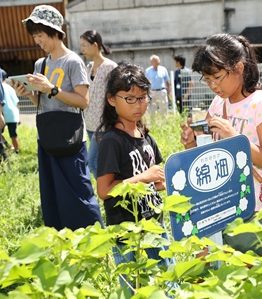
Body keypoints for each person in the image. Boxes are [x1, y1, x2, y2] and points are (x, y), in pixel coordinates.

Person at [179, 33, 262, 255]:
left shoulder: (261, 103)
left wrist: (235, 137)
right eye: (207, 79)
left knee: (255, 278)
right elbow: (207, 154)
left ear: (239, 68)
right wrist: (191, 142)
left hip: (252, 209)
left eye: (218, 77)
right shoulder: (217, 104)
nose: (213, 85)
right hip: (220, 206)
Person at [14, 5, 104, 231]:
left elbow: (83, 101)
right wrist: (29, 94)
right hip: (48, 137)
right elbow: (44, 104)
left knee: (78, 189)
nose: (38, 41)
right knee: (53, 190)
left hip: (71, 138)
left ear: (55, 31)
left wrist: (51, 88)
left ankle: (93, 236)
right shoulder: (40, 64)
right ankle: (62, 237)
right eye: (35, 36)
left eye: (41, 35)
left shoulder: (73, 62)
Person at [96, 61, 172, 289]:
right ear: (112, 99)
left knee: (166, 281)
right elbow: (104, 190)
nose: (138, 105)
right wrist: (144, 177)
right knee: (134, 288)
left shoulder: (145, 136)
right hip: (127, 233)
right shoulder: (112, 141)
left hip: (154, 224)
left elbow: (156, 181)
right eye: (129, 99)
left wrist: (163, 182)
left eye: (143, 98)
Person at [80, 29, 117, 178]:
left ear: (95, 45)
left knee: (92, 162)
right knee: (101, 161)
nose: (81, 49)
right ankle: (109, 190)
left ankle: (106, 192)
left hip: (104, 124)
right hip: (89, 122)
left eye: (84, 45)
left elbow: (115, 95)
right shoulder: (87, 67)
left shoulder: (110, 67)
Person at [1, 69, 20, 154]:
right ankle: (16, 150)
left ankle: (7, 146)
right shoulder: (11, 88)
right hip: (13, 114)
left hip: (2, 113)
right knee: (13, 134)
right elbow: (17, 103)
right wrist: (19, 116)